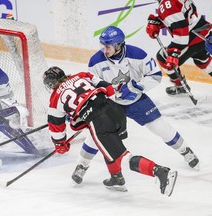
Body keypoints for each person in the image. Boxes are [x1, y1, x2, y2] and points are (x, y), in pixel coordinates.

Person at [71, 26, 199, 186]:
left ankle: (186, 151)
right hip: (110, 104)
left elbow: (155, 75)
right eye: (102, 45)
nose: (104, 49)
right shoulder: (95, 61)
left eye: (108, 46)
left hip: (137, 101)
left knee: (162, 128)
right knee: (96, 135)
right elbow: (92, 85)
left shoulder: (137, 55)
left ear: (118, 45)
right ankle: (82, 165)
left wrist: (136, 87)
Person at [43, 66, 178, 196]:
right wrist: (87, 113)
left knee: (122, 157)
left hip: (100, 121)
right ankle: (116, 179)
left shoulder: (55, 99)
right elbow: (107, 88)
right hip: (116, 110)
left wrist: (61, 145)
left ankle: (160, 172)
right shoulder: (81, 76)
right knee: (109, 146)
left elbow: (56, 129)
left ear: (50, 84)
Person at [146, 0, 212, 95]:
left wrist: (173, 52)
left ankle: (181, 86)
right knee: (203, 61)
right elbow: (180, 17)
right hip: (203, 32)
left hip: (191, 39)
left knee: (163, 58)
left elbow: (182, 34)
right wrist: (159, 22)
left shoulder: (166, 4)